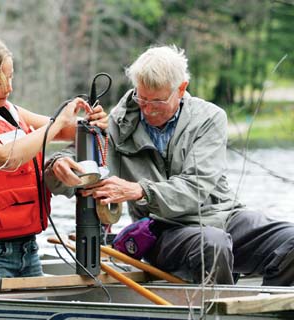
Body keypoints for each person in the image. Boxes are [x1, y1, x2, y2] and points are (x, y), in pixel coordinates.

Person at [50, 45, 294, 286]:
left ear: (181, 89)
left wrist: (141, 191)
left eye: (157, 102)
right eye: (141, 99)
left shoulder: (210, 118)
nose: (147, 109)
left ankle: (259, 308)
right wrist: (59, 165)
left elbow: (197, 186)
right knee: (212, 243)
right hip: (162, 231)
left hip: (223, 216)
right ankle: (216, 311)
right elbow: (75, 170)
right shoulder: (116, 125)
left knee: (289, 241)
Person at [0, 35, 107, 281]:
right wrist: (57, 123)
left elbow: (67, 131)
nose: (9, 88)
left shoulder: (10, 111)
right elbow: (6, 157)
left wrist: (91, 121)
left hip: (28, 250)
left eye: (10, 77)